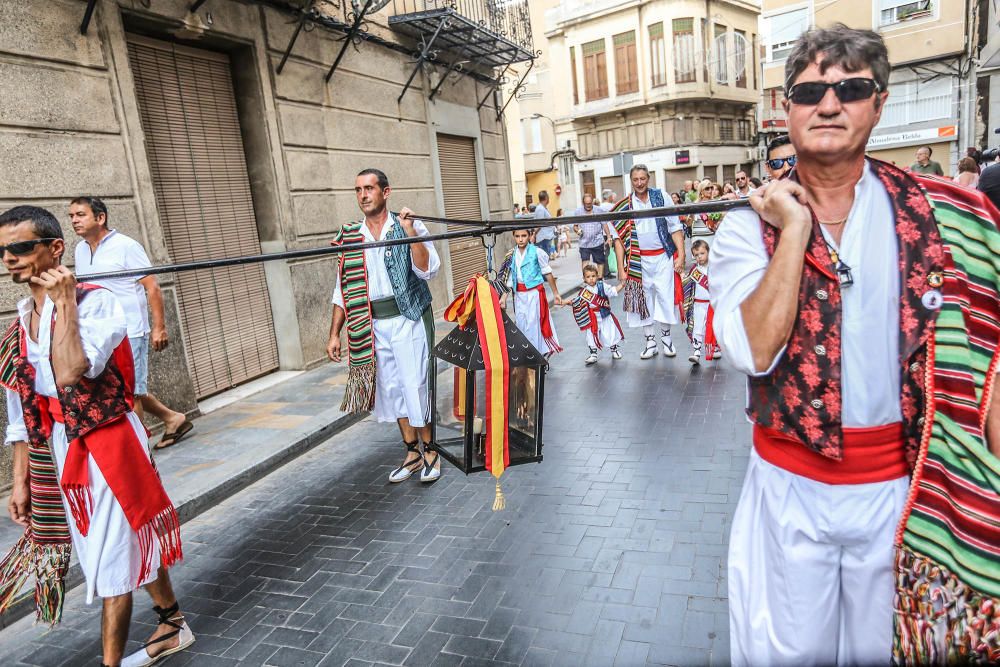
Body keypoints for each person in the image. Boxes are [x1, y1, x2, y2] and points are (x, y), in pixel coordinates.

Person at [710, 24, 1000, 665]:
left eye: (851, 87)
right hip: (787, 489)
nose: (830, 103)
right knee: (792, 653)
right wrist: (794, 232)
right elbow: (754, 351)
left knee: (886, 651)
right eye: (810, 90)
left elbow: (984, 359)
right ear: (785, 107)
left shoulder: (940, 218)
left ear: (879, 102)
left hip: (900, 490)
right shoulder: (744, 227)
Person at [0, 205, 191, 667]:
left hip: (108, 440)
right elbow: (22, 411)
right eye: (3, 250)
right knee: (116, 543)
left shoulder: (97, 303)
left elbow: (69, 372)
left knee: (109, 561)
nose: (9, 258)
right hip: (64, 447)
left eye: (21, 247)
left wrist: (65, 303)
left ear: (55, 249)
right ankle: (172, 622)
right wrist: (21, 479)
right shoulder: (19, 323)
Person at [327, 168, 442, 484]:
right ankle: (412, 453)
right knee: (392, 390)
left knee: (414, 384)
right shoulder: (352, 236)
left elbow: (428, 269)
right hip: (373, 324)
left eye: (369, 188)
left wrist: (409, 233)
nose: (363, 195)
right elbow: (343, 288)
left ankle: (431, 450)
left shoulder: (408, 224)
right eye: (358, 190)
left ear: (386, 192)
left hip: (408, 317)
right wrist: (334, 333)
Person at [69, 197, 193, 451]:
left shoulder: (126, 246)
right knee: (126, 387)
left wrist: (159, 327)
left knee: (131, 393)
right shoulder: (80, 250)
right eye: (71, 216)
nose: (74, 220)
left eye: (80, 214)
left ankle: (139, 453)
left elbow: (152, 288)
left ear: (100, 217)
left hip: (130, 331)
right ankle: (173, 418)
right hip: (100, 334)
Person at [610, 164, 686, 359]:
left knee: (664, 298)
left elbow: (675, 226)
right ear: (631, 181)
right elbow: (618, 239)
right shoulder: (623, 206)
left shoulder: (662, 197)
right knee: (642, 301)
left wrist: (682, 255)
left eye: (642, 179)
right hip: (638, 261)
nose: (639, 183)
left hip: (663, 257)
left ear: (648, 179)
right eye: (635, 180)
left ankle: (667, 340)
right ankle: (650, 342)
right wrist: (621, 268)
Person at [495, 229, 563, 355]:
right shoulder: (512, 254)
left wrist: (556, 293)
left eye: (524, 236)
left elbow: (547, 273)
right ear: (514, 237)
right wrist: (503, 298)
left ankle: (538, 353)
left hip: (534, 295)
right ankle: (528, 353)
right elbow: (510, 279)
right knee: (521, 323)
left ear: (530, 236)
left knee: (533, 323)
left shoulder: (537, 252)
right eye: (517, 236)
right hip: (519, 296)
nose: (520, 239)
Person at [571, 263, 623, 365]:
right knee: (591, 335)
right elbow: (576, 301)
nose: (591, 279)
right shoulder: (584, 291)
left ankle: (614, 350)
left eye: (593, 276)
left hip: (604, 315)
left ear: (597, 275)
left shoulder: (602, 286)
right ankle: (593, 354)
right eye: (588, 277)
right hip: (592, 317)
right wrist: (565, 302)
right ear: (584, 278)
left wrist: (622, 285)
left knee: (609, 333)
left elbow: (612, 291)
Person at [682, 240, 720, 365]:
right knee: (697, 327)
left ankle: (714, 348)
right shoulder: (694, 270)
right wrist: (682, 275)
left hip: (712, 305)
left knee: (714, 326)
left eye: (702, 253)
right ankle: (697, 351)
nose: (700, 257)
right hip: (698, 304)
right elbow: (687, 284)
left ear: (708, 252)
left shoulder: (715, 268)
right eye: (696, 255)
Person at [573, 193, 610, 277]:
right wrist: (577, 230)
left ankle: (600, 279)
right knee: (585, 261)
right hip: (584, 242)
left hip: (597, 241)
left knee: (600, 261)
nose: (588, 206)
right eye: (586, 204)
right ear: (583, 203)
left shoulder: (599, 210)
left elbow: (604, 224)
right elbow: (575, 226)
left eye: (590, 204)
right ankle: (586, 280)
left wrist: (608, 237)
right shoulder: (578, 211)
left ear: (592, 202)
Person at [532, 191, 556, 258]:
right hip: (543, 238)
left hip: (545, 237)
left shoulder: (542, 208)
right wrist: (534, 235)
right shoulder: (540, 209)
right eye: (548, 197)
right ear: (546, 198)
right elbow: (540, 223)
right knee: (544, 259)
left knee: (545, 258)